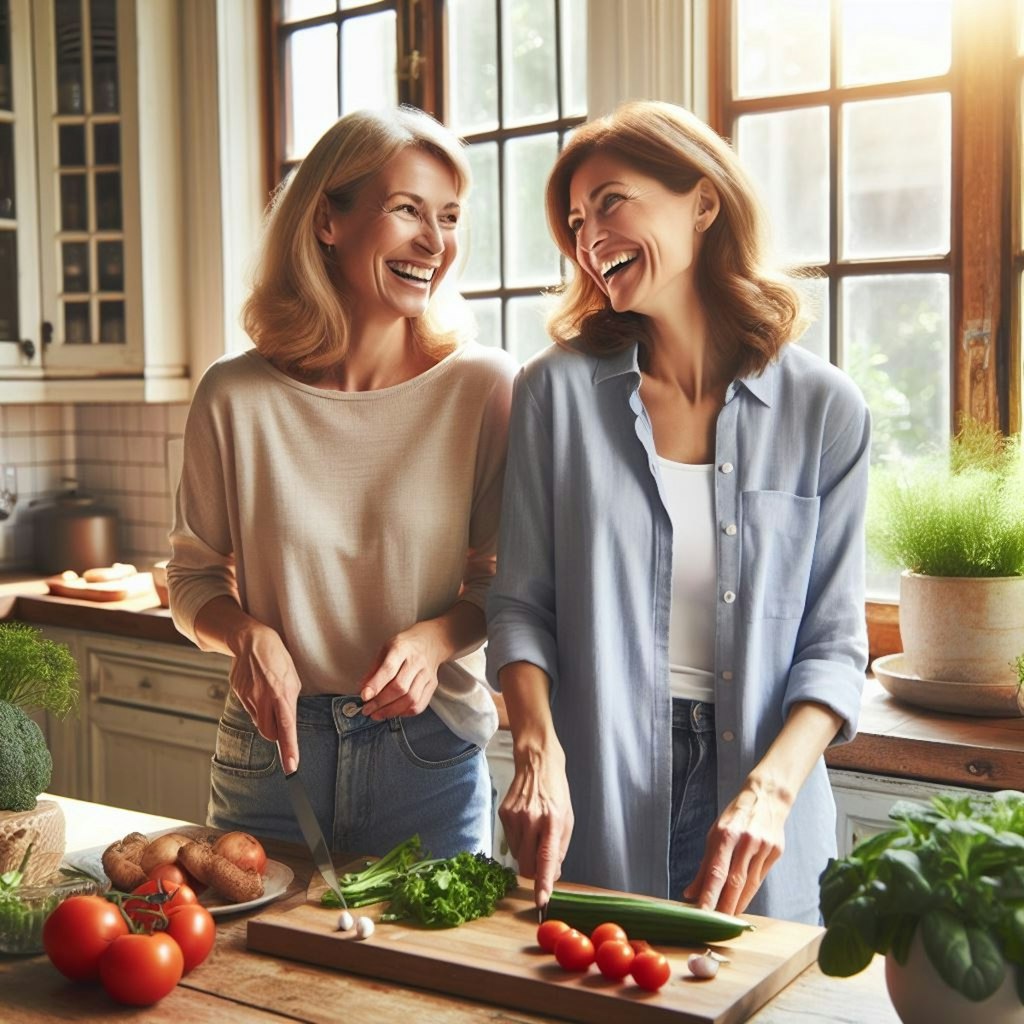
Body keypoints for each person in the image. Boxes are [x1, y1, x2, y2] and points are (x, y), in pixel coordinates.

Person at [485, 100, 870, 924]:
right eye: (577, 221)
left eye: (612, 202)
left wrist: (771, 788)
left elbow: (835, 644)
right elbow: (520, 606)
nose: (590, 237)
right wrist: (535, 747)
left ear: (702, 202)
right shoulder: (553, 395)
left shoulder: (825, 409)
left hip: (765, 803)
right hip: (597, 791)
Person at [168, 106, 515, 861]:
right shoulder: (234, 396)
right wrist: (245, 635)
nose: (435, 242)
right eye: (406, 210)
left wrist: (433, 642)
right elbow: (192, 579)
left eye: (449, 217)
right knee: (252, 977)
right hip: (271, 755)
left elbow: (503, 583)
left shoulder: (485, 389)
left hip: (427, 753)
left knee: (429, 979)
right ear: (328, 220)